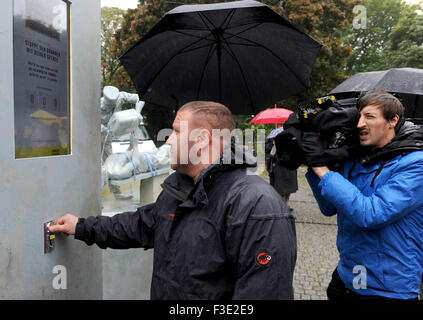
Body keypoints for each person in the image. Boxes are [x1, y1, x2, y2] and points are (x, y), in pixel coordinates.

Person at [50, 101, 297, 300]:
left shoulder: (256, 205)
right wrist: (81, 226)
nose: (168, 140)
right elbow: (137, 225)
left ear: (201, 140)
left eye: (177, 131)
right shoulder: (178, 190)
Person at [306, 89, 423, 300]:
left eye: (369, 116)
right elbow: (329, 207)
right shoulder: (358, 158)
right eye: (359, 116)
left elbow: (371, 214)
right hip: (346, 279)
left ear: (392, 120)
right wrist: (314, 164)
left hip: (388, 290)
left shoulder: (416, 164)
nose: (360, 124)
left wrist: (322, 168)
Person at [100, 86, 140, 200]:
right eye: (109, 106)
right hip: (95, 137)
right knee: (99, 166)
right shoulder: (98, 106)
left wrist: (137, 113)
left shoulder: (120, 96)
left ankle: (117, 193)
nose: (111, 107)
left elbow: (138, 98)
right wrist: (105, 129)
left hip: (107, 139)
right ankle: (97, 197)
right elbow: (92, 123)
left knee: (110, 163)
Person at [265, 127, 298, 208]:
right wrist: (273, 144)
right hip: (278, 168)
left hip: (290, 167)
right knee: (280, 189)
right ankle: (281, 207)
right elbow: (266, 149)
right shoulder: (272, 137)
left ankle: (285, 205)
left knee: (288, 189)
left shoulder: (292, 136)